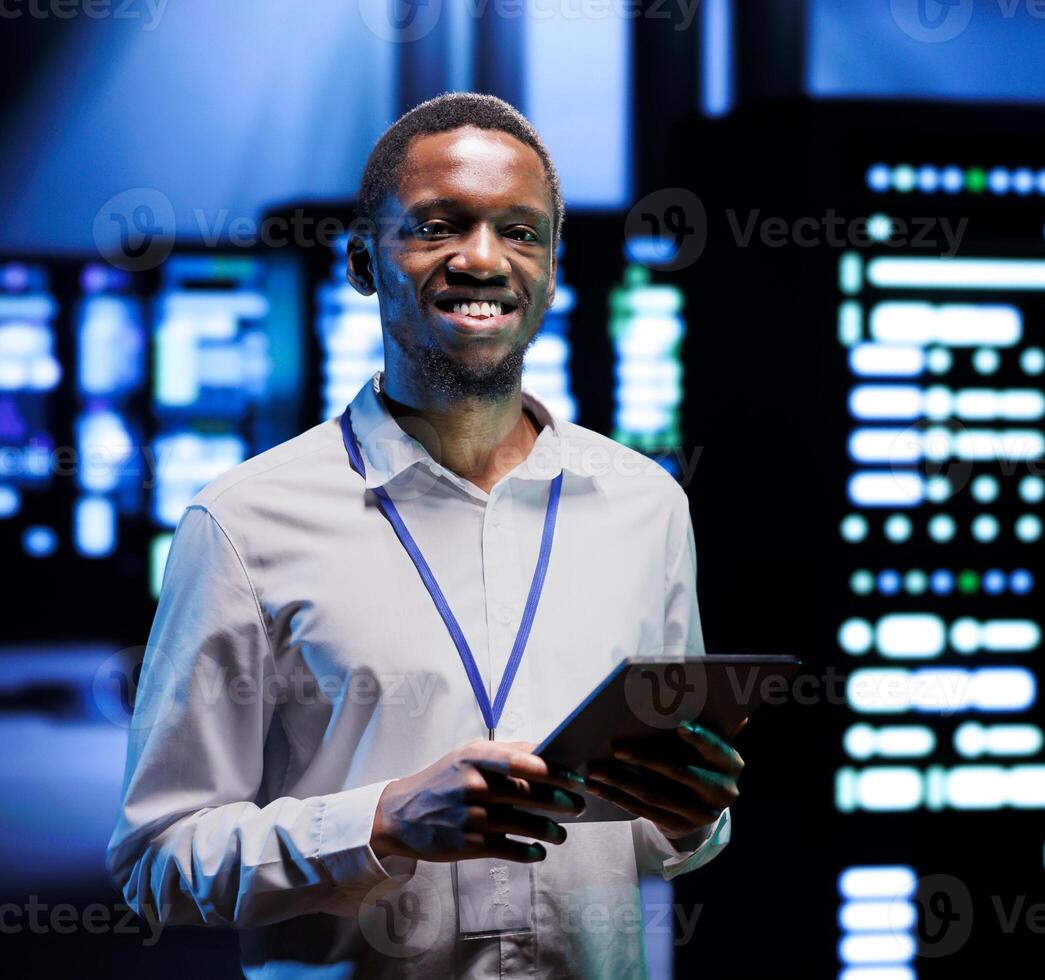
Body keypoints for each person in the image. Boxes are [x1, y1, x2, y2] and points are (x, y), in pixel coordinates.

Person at [106, 93, 742, 978]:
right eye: (440, 226)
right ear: (364, 261)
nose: (483, 259)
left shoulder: (645, 505)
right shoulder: (242, 523)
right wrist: (382, 823)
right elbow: (157, 862)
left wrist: (691, 819)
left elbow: (662, 839)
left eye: (521, 233)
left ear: (553, 269)